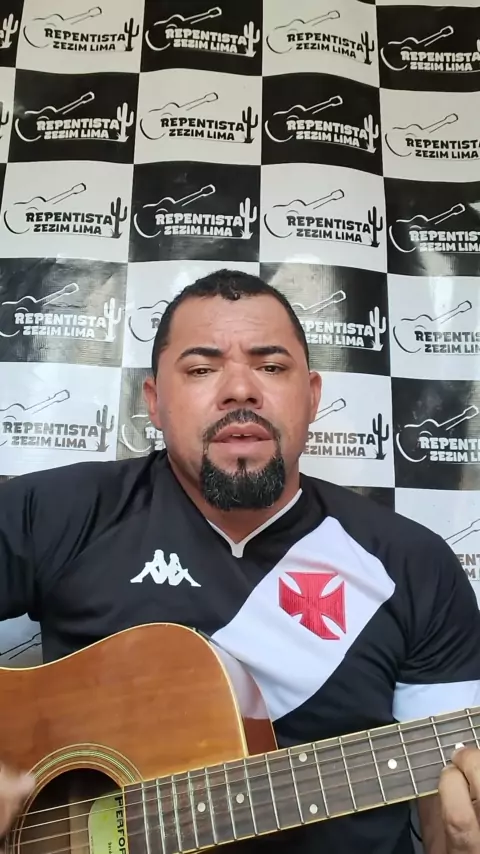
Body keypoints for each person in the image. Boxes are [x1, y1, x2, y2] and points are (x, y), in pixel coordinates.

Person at [0, 268, 479, 854]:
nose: (240, 390)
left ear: (312, 396)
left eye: (271, 367)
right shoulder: (62, 511)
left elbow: (448, 806)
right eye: (201, 369)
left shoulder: (413, 565)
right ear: (153, 401)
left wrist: (461, 838)